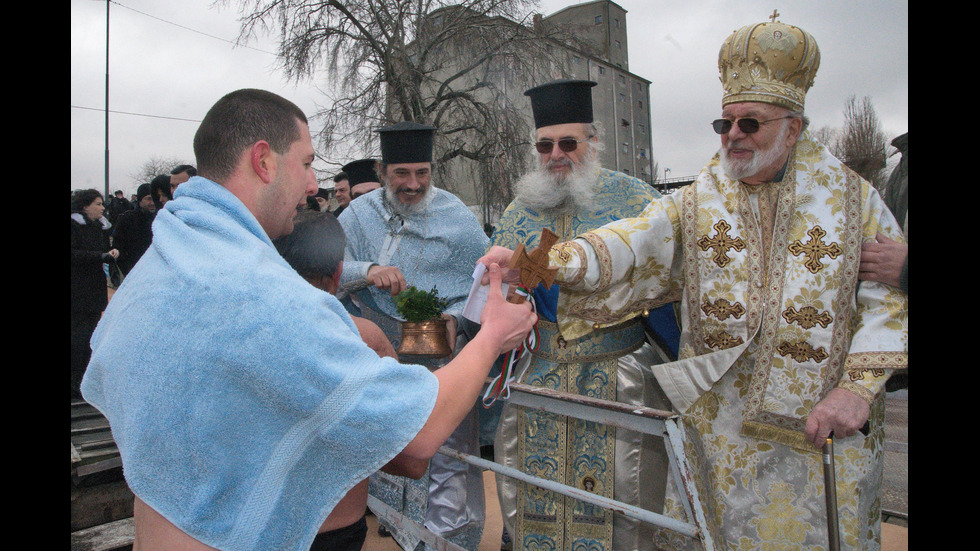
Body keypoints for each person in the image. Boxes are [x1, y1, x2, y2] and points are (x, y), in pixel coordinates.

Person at [480, 20, 907, 550]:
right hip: (718, 426)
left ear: (793, 128)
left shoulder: (854, 202)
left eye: (750, 123)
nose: (733, 136)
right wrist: (537, 263)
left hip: (820, 428)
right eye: (723, 123)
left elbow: (886, 300)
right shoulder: (702, 197)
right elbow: (632, 244)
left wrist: (858, 389)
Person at [81, 88, 535, 551]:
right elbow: (416, 442)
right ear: (264, 161)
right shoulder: (268, 298)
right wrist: (494, 333)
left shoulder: (168, 258)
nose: (312, 184)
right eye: (306, 163)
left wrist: (461, 318)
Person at [489, 79, 677, 551]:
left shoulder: (636, 200)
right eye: (545, 145)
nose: (556, 154)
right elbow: (501, 294)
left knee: (627, 505)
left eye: (568, 143)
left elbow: (665, 281)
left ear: (593, 143)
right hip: (540, 376)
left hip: (619, 375)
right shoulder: (518, 210)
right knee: (535, 501)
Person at [337, 122, 492, 551]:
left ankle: (451, 542)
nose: (413, 184)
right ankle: (404, 536)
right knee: (392, 457)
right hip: (382, 359)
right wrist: (365, 271)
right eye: (401, 173)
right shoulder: (356, 216)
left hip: (441, 357)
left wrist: (456, 321)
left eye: (422, 173)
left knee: (447, 460)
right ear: (382, 170)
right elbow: (326, 270)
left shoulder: (456, 214)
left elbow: (481, 285)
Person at [71, 189, 118, 398]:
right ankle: (75, 380)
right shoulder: (74, 226)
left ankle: (84, 379)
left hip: (93, 285)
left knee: (90, 334)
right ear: (85, 206)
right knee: (78, 335)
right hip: (78, 287)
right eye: (98, 204)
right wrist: (100, 256)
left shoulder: (99, 227)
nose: (102, 208)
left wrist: (111, 252)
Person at [112, 183, 157, 275]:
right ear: (140, 199)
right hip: (134, 271)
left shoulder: (161, 218)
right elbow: (118, 248)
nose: (152, 203)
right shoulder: (126, 219)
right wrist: (129, 271)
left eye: (154, 198)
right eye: (148, 199)